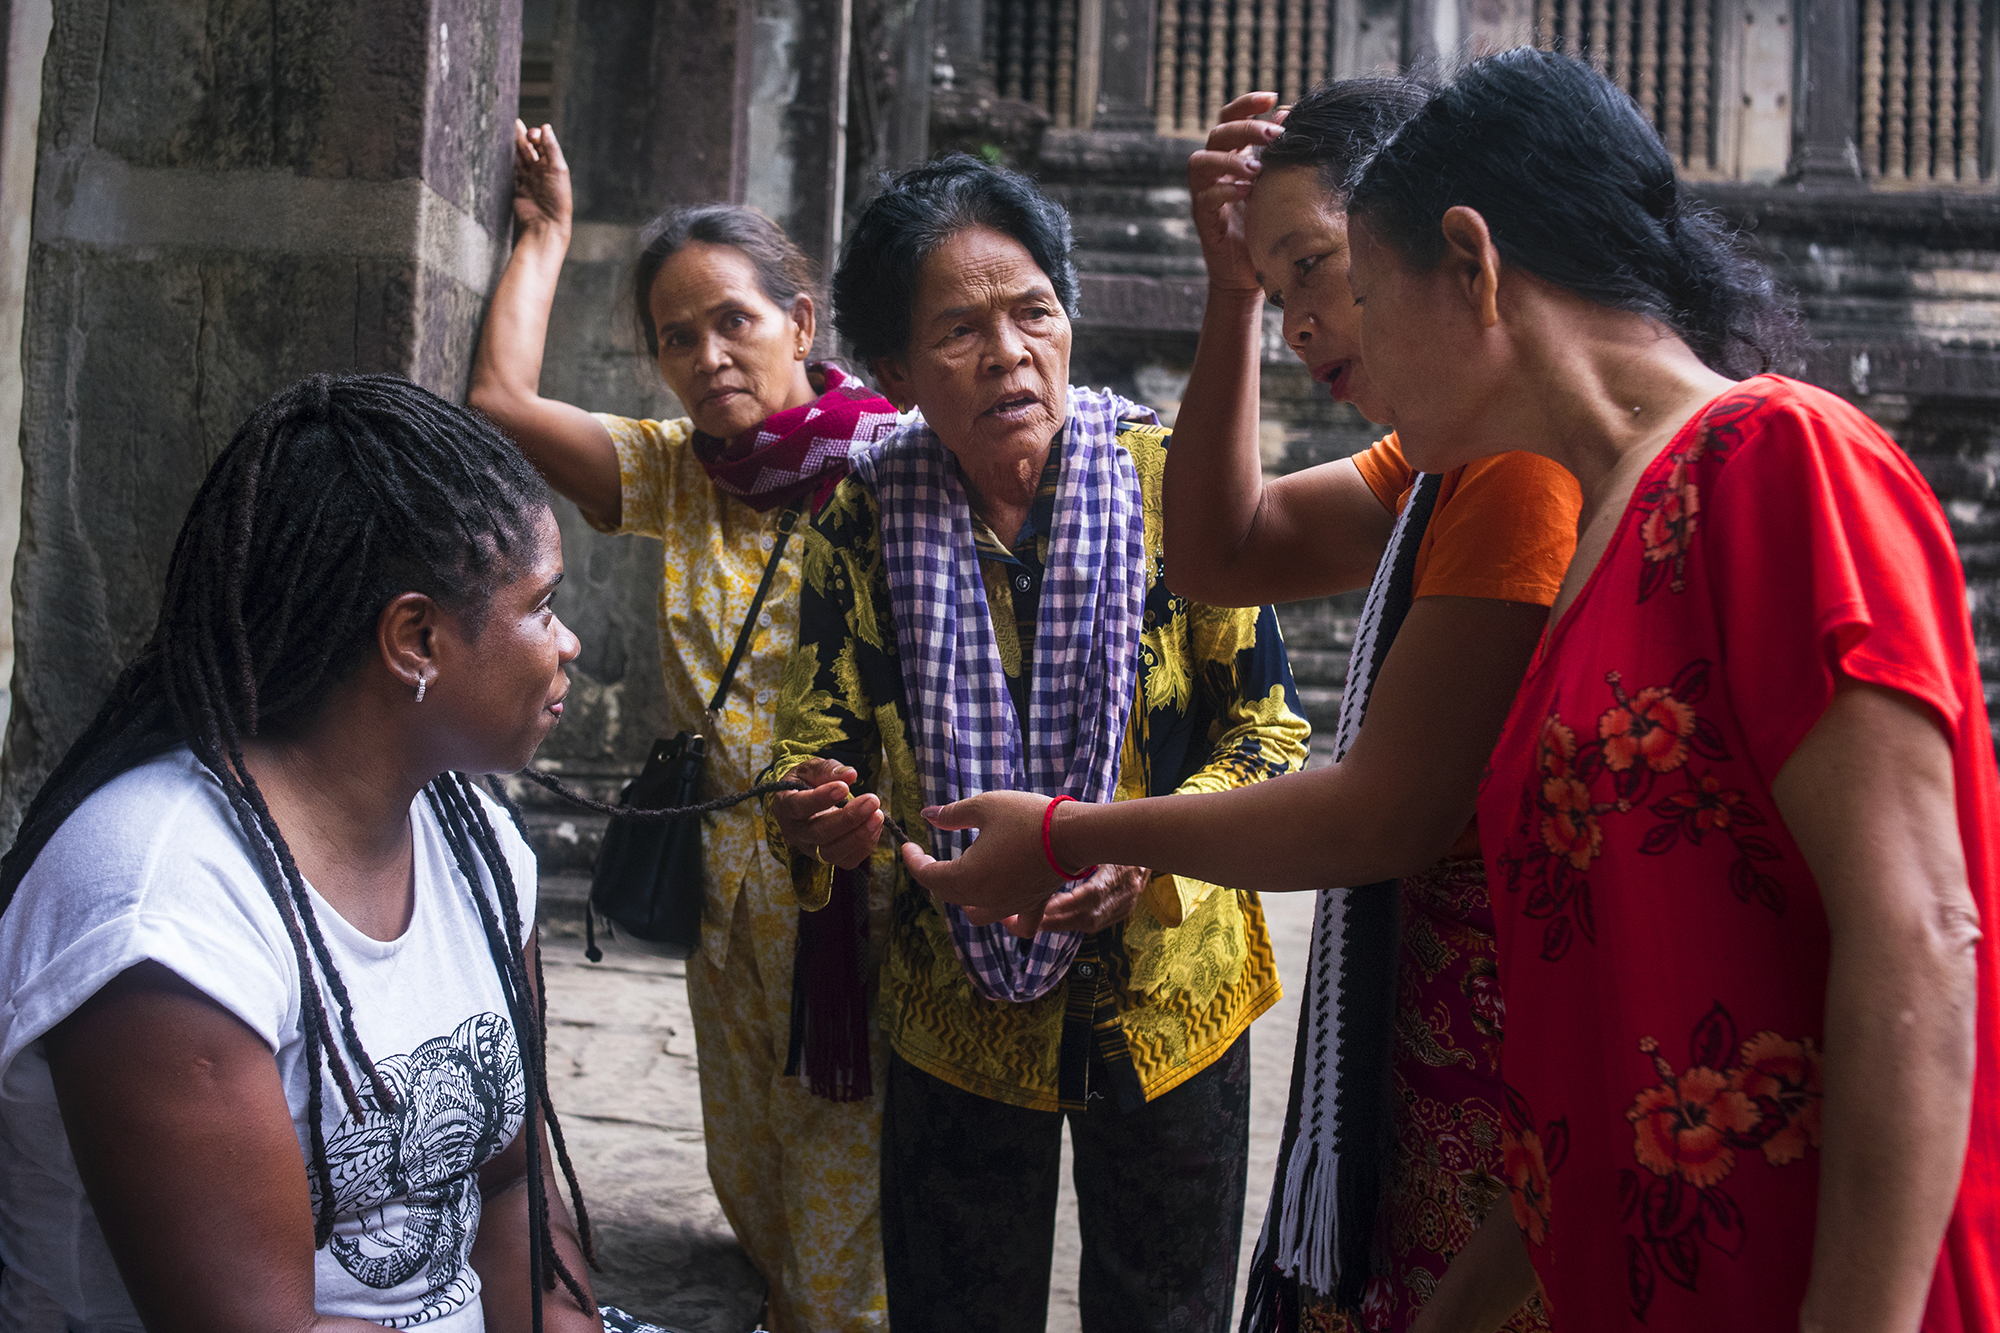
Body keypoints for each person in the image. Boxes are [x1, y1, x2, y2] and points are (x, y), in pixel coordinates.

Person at [912, 48, 2000, 1333]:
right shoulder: (1597, 525)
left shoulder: (1775, 458)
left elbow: (1922, 939)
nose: (1334, 333)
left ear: (1471, 265)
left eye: (1355, 286)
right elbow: (1598, 1050)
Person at [761, 153, 1311, 1333]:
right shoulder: (860, 514)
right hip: (955, 1004)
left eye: (1033, 314)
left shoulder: (1173, 483)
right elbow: (813, 734)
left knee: (1162, 1308)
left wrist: (1144, 855)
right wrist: (818, 808)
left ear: (1069, 323)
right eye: (958, 329)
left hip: (1169, 1001)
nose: (1007, 352)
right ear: (897, 371)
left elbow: (1266, 730)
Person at [0, 375, 628, 1331]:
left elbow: (512, 1189)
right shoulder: (161, 913)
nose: (568, 641)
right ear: (415, 638)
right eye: (542, 605)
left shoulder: (477, 841)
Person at [1164, 78, 1580, 1333]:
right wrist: (1229, 294)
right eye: (1276, 291)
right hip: (1437, 1041)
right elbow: (1219, 553)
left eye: (1312, 269)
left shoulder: (1515, 464)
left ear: (1438, 245)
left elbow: (1379, 815)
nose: (1298, 322)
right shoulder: (1445, 451)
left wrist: (1082, 835)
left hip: (1500, 1068)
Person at [468, 122, 897, 1332]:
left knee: (840, 1163)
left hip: (854, 884)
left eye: (734, 322)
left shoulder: (898, 466)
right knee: (752, 1154)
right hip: (728, 888)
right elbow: (498, 401)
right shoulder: (675, 473)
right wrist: (545, 231)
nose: (707, 355)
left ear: (799, 325)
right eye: (675, 334)